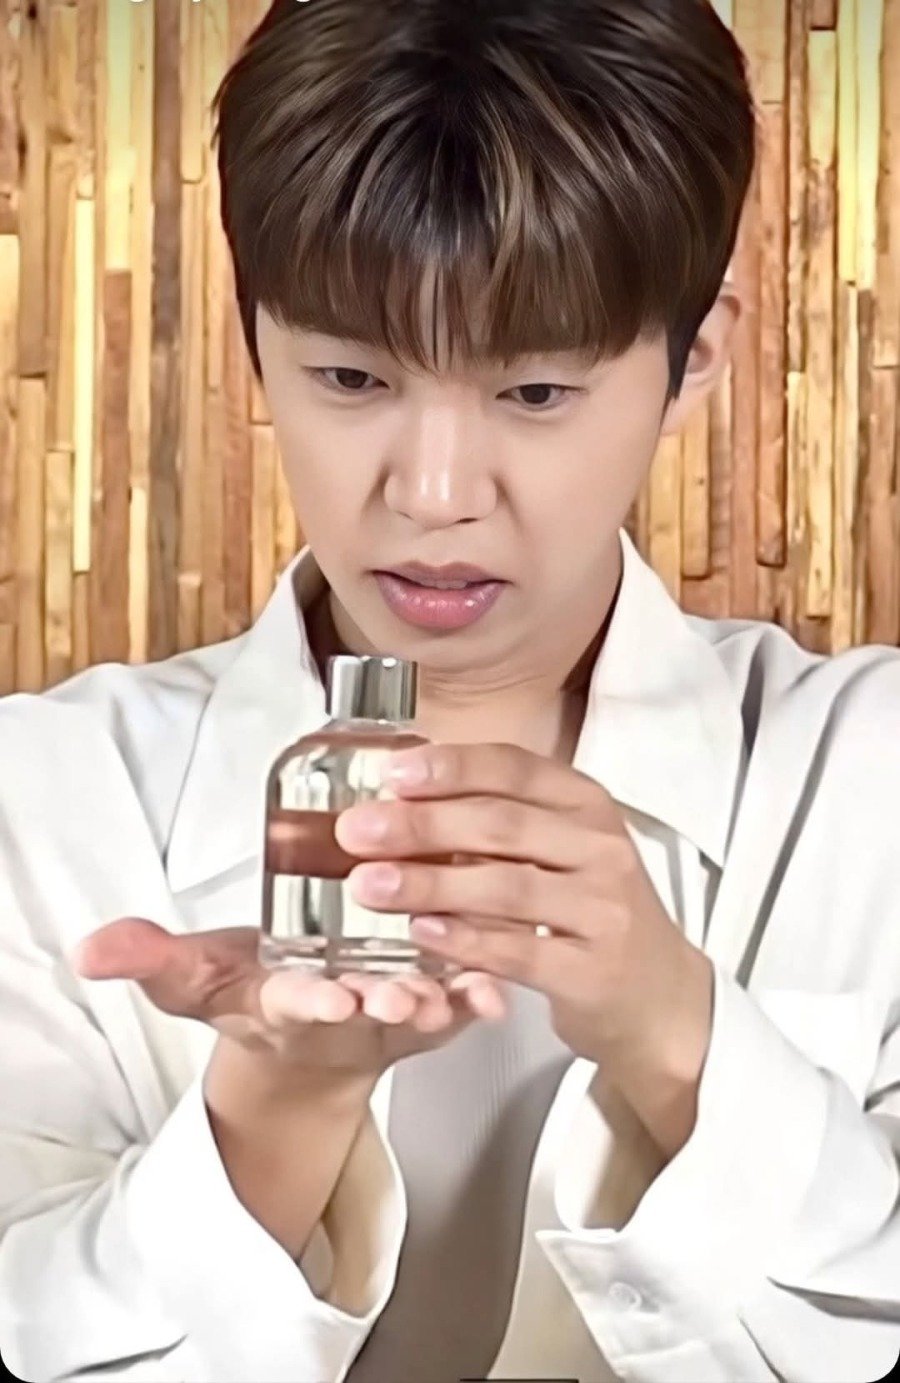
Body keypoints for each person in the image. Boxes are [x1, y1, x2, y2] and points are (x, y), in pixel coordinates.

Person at [1, 1, 898, 1380]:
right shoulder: (44, 800)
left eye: (533, 394)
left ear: (695, 356)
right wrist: (270, 1118)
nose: (430, 496)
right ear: (253, 337)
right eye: (350, 375)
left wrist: (678, 1034)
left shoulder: (868, 777)